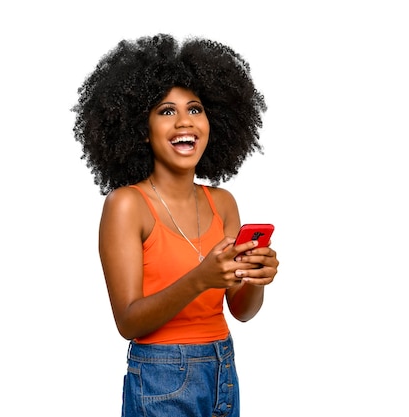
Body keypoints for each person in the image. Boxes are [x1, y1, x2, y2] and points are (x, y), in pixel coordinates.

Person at [72, 33, 279, 417]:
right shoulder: (127, 205)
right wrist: (200, 278)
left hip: (223, 369)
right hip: (160, 378)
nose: (185, 121)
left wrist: (255, 278)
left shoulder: (222, 203)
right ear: (140, 128)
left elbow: (242, 311)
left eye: (195, 109)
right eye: (166, 111)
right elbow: (129, 321)